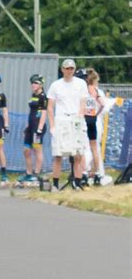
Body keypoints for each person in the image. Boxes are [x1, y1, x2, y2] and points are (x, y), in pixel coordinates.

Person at [47, 59, 89, 192]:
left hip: (76, 119)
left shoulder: (81, 84)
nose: (69, 71)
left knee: (78, 153)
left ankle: (77, 182)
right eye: (67, 68)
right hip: (61, 120)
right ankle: (55, 184)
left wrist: (80, 119)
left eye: (71, 68)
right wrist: (52, 126)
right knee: (58, 154)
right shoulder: (56, 85)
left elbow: (83, 103)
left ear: (74, 69)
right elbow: (50, 107)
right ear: (62, 69)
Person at [19, 74, 48, 184]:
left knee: (37, 150)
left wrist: (39, 129)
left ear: (41, 84)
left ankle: (37, 174)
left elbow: (43, 113)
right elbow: (32, 112)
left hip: (38, 127)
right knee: (26, 150)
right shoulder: (33, 95)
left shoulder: (43, 97)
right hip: (31, 127)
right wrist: (28, 126)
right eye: (32, 82)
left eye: (35, 83)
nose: (33, 85)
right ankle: (29, 173)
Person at [84, 68, 106, 185]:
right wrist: (96, 114)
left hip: (87, 119)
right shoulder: (96, 91)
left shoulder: (84, 90)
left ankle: (87, 171)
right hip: (94, 119)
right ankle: (97, 172)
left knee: (88, 148)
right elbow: (103, 104)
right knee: (94, 148)